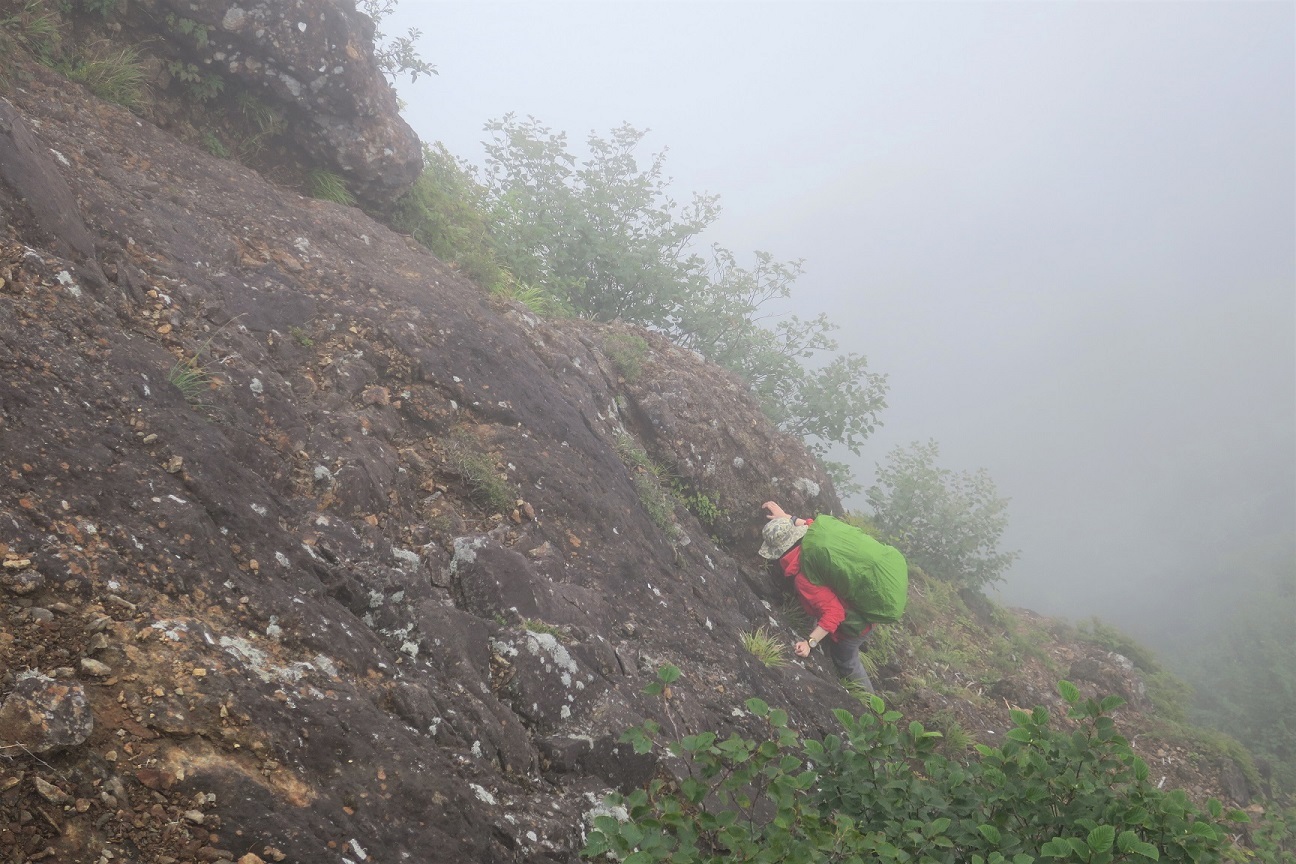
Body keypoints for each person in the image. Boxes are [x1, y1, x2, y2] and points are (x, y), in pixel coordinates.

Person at [759, 501, 875, 691]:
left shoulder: (804, 578)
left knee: (846, 660)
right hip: (865, 600)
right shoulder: (816, 539)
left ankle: (872, 708)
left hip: (858, 623)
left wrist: (809, 643)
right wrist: (787, 517)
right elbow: (807, 524)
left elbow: (835, 613)